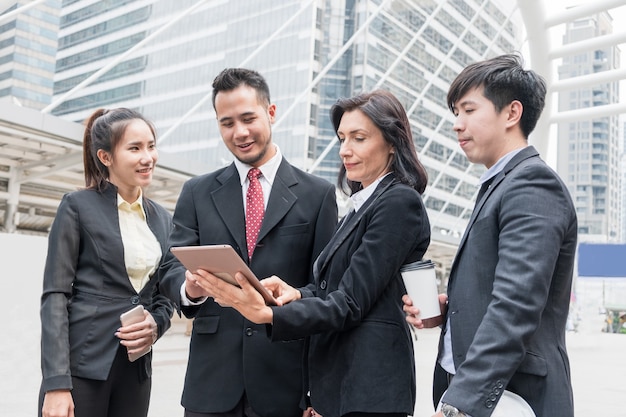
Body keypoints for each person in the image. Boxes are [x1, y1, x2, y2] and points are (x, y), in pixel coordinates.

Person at [195, 89, 431, 417]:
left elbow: (350, 303)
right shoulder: (363, 205)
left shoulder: (398, 203)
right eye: (342, 138)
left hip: (368, 389)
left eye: (359, 138)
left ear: (392, 142)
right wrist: (297, 293)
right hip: (343, 386)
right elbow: (334, 290)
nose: (345, 150)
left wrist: (269, 315)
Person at [157, 67, 338, 417]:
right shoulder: (197, 192)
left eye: (248, 118)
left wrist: (318, 393)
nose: (239, 132)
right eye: (226, 123)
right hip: (211, 385)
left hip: (285, 385)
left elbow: (325, 290)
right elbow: (170, 269)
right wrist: (191, 287)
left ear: (271, 113)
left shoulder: (318, 196)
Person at [404, 53, 577, 417]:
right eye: (456, 113)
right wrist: (449, 312)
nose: (457, 124)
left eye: (468, 110)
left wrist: (461, 403)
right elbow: (499, 289)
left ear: (511, 113)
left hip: (513, 397)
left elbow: (516, 305)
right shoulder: (501, 184)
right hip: (481, 393)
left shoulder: (532, 184)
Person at [39, 108, 175, 417]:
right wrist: (57, 383)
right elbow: (55, 296)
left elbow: (164, 295)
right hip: (82, 368)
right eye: (135, 148)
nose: (148, 157)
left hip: (136, 372)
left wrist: (157, 324)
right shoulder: (77, 206)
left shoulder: (163, 219)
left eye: (151, 146)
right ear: (106, 157)